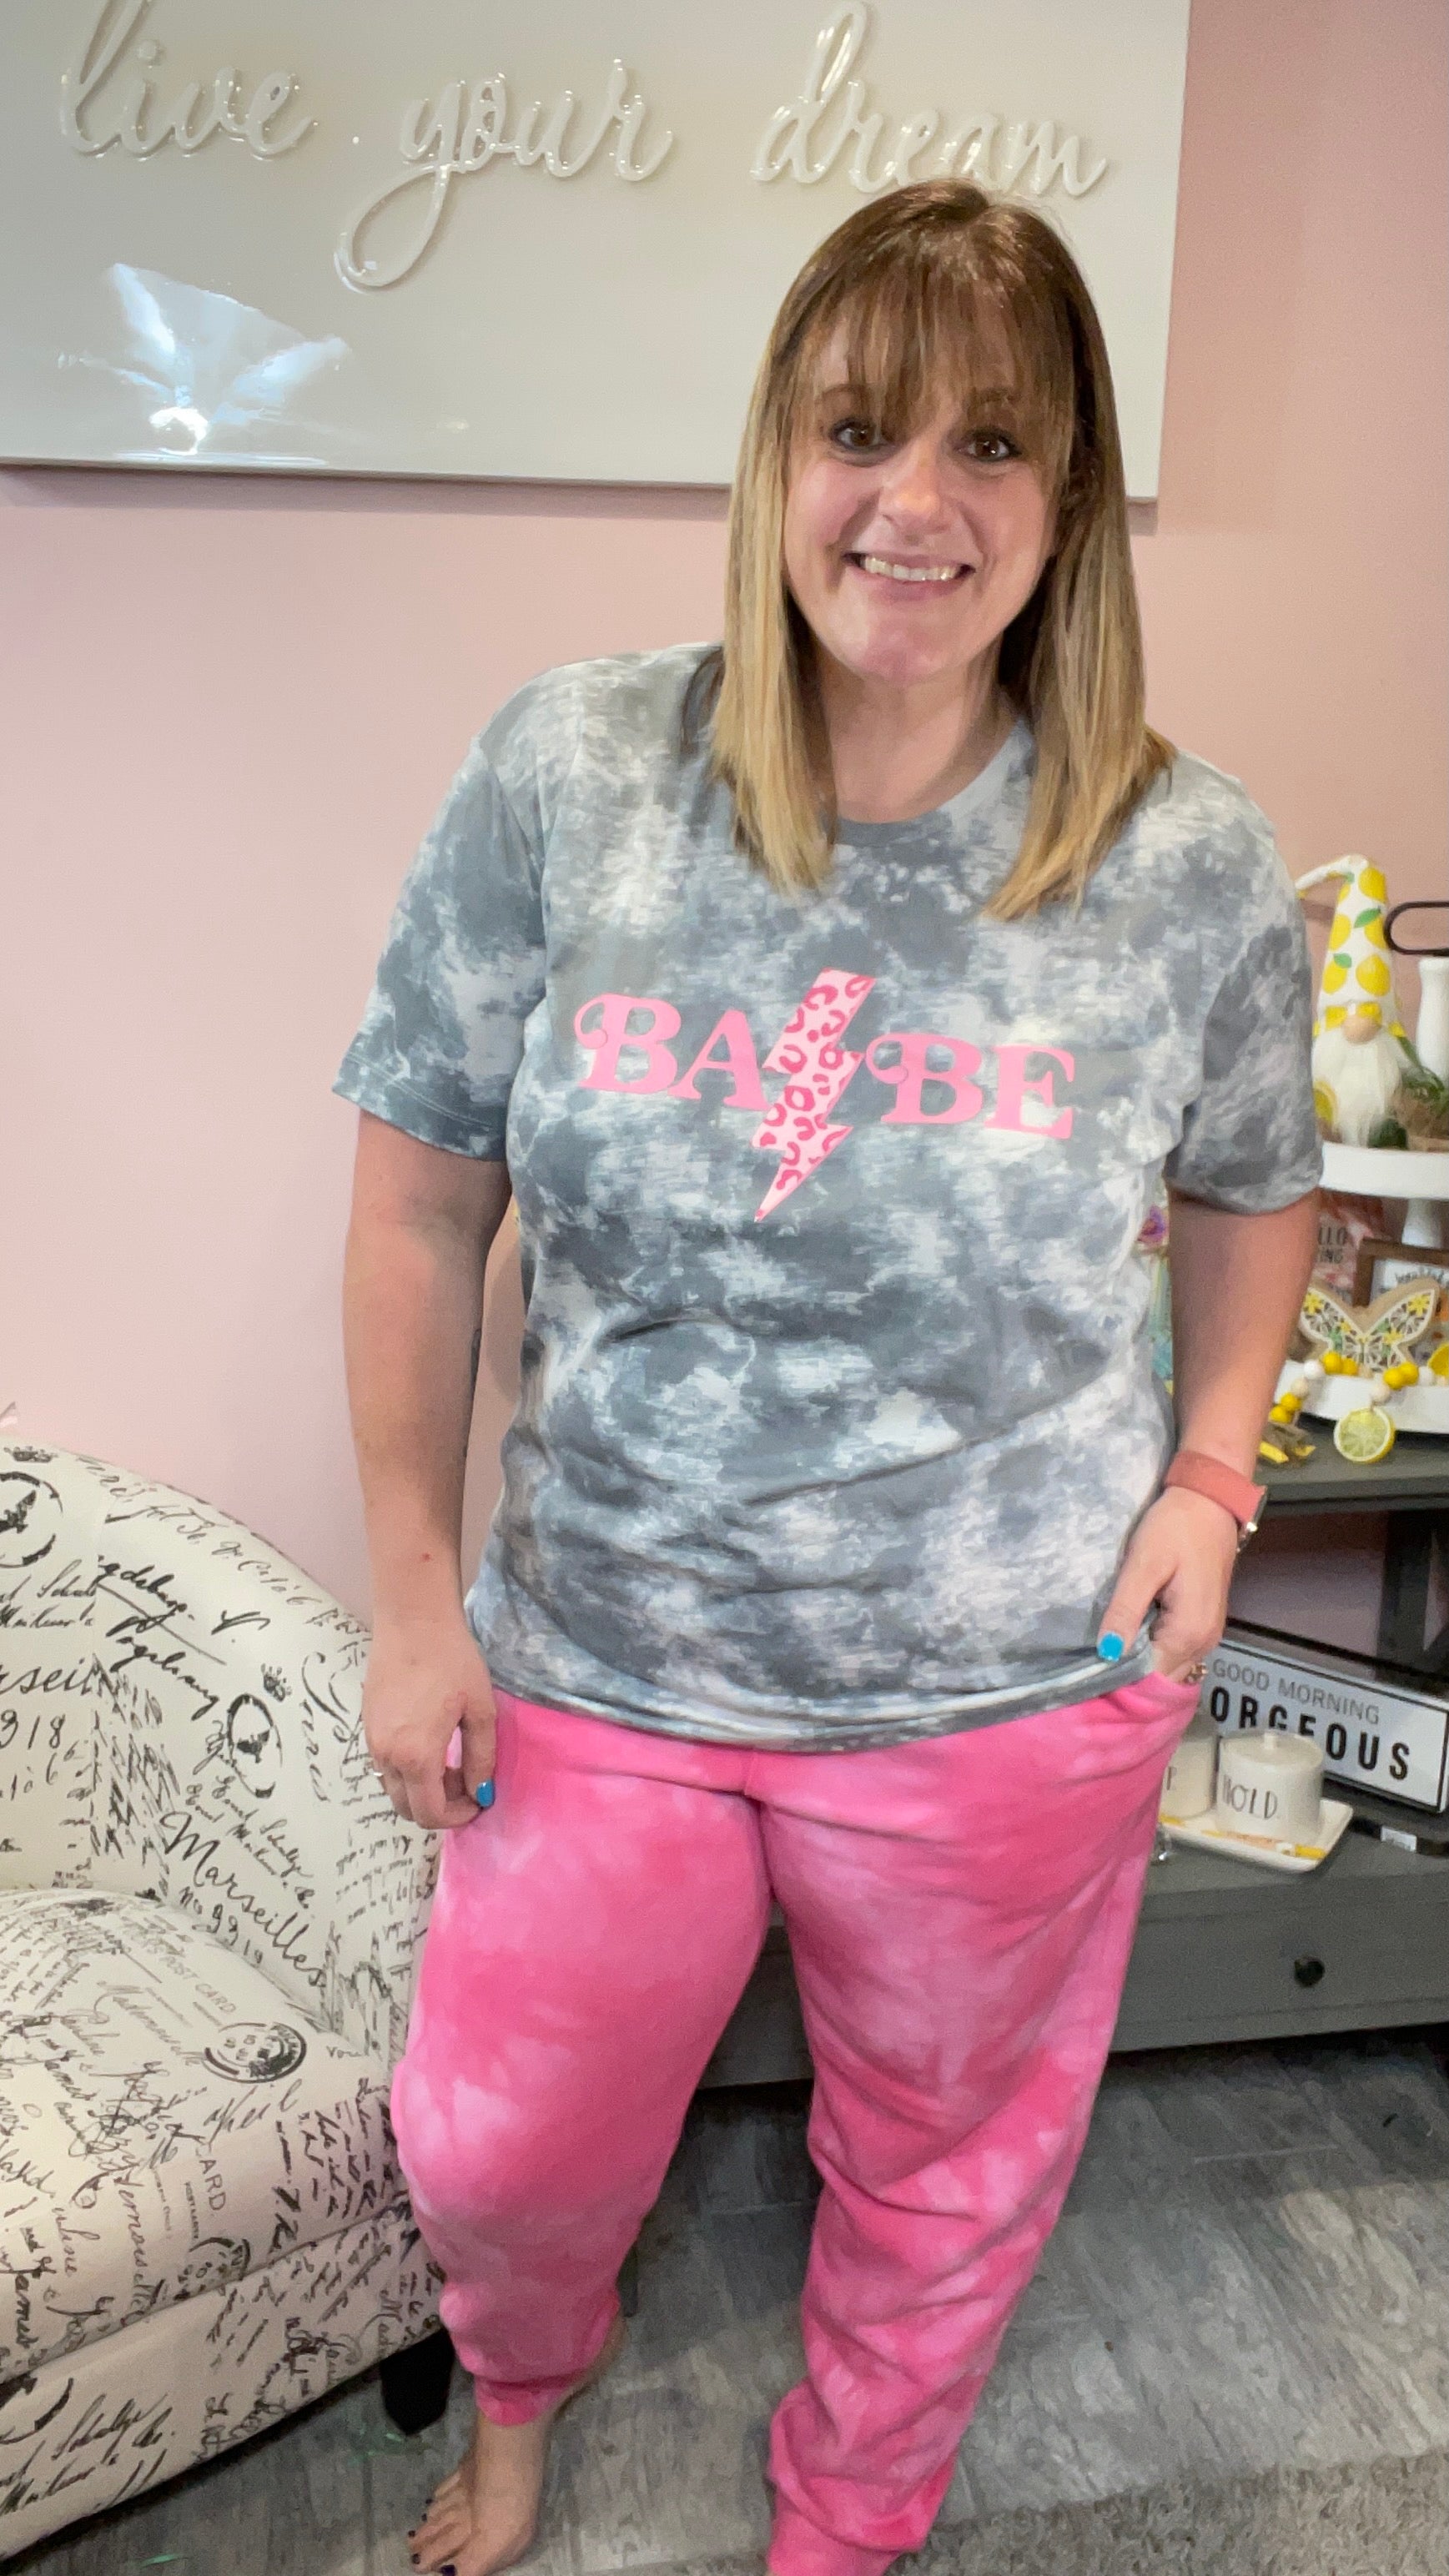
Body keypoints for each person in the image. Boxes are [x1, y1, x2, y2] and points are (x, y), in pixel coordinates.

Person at [334, 181, 1320, 2576]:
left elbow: (1254, 1184)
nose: (916, 503)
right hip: (609, 1646)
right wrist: (413, 1599)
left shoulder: (1184, 854)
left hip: (1006, 1676)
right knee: (502, 2143)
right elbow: (420, 1205)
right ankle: (521, 2393)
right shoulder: (575, 772)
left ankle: (848, 2526)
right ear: (778, 453)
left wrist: (1211, 1477)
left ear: (1069, 495)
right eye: (861, 429)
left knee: (949, 2173)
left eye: (993, 443)